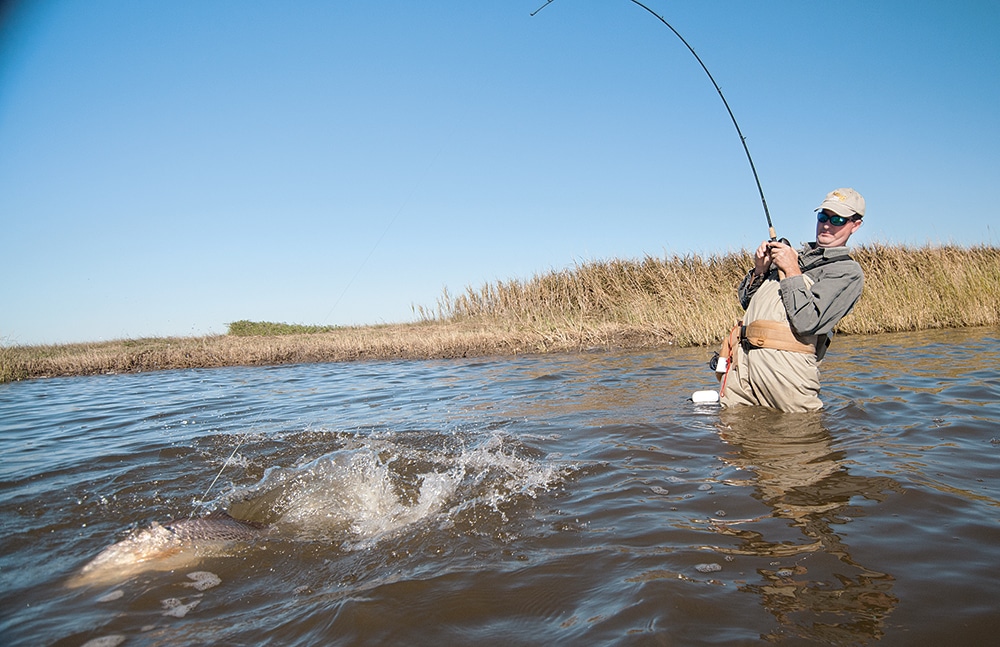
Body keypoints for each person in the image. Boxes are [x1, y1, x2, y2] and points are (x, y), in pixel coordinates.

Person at [719, 188, 866, 412]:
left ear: (855, 225)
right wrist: (760, 270)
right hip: (743, 368)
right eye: (823, 217)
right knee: (735, 439)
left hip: (787, 375)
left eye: (837, 219)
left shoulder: (846, 272)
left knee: (797, 441)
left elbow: (807, 321)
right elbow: (748, 304)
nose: (827, 225)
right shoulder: (792, 256)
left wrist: (792, 271)